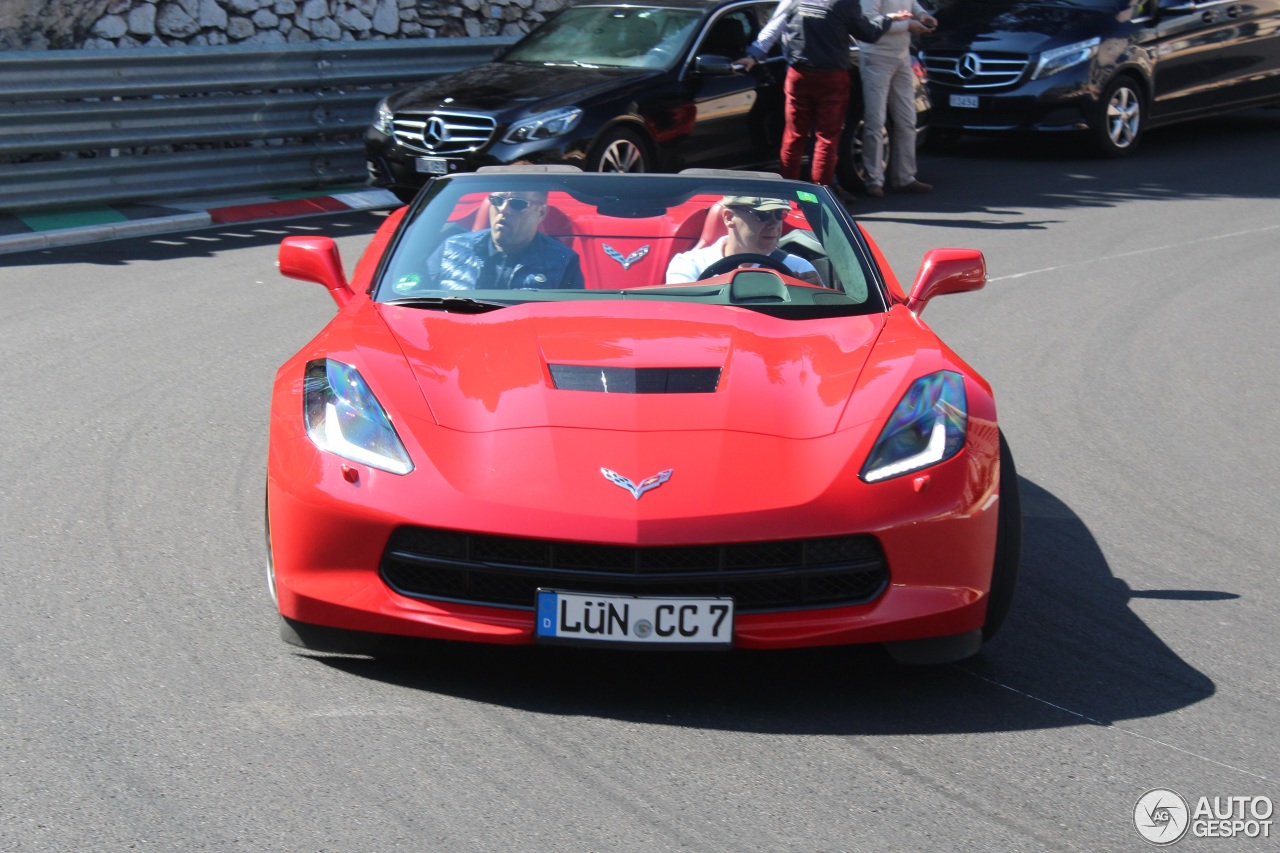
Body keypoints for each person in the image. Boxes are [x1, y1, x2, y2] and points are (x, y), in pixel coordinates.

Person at [735, 0, 905, 204]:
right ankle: (819, 196)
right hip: (832, 76)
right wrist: (888, 19)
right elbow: (867, 33)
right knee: (826, 138)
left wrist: (754, 55)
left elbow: (774, 26)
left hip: (799, 74)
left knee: (794, 135)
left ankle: (785, 194)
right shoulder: (844, 3)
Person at [426, 190, 584, 290]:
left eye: (517, 204)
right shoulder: (451, 248)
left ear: (541, 212)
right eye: (498, 200)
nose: (503, 209)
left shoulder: (563, 262)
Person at [858, 0, 937, 197]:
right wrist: (908, 25)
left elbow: (911, 4)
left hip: (901, 57)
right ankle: (874, 179)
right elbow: (869, 21)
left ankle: (905, 177)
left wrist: (922, 15)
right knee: (875, 120)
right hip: (876, 57)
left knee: (907, 120)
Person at [666, 195, 821, 284]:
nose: (774, 224)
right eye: (763, 214)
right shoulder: (690, 265)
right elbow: (680, 320)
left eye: (780, 214)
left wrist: (816, 298)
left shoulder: (798, 267)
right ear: (729, 217)